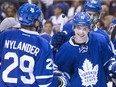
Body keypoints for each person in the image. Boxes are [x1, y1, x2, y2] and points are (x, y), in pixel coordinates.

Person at [0, 3, 70, 87]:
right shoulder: (42, 43)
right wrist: (61, 80)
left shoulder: (5, 35)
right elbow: (44, 82)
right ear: (36, 23)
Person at [54, 12, 116, 87]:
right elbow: (62, 75)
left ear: (89, 28)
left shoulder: (99, 41)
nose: (81, 32)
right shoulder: (66, 49)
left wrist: (113, 67)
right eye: (78, 28)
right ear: (74, 28)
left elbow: (108, 62)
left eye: (85, 28)